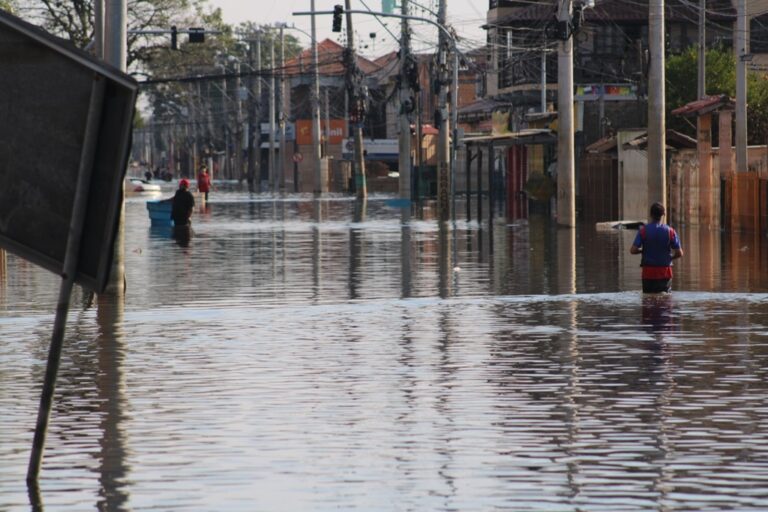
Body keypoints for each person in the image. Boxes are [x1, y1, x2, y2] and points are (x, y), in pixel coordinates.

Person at [630, 202, 684, 293]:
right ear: (663, 215)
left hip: (648, 273)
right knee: (665, 299)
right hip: (665, 272)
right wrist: (669, 257)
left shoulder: (643, 231)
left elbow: (633, 250)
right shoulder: (670, 231)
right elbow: (679, 253)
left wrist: (642, 250)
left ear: (651, 215)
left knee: (647, 299)